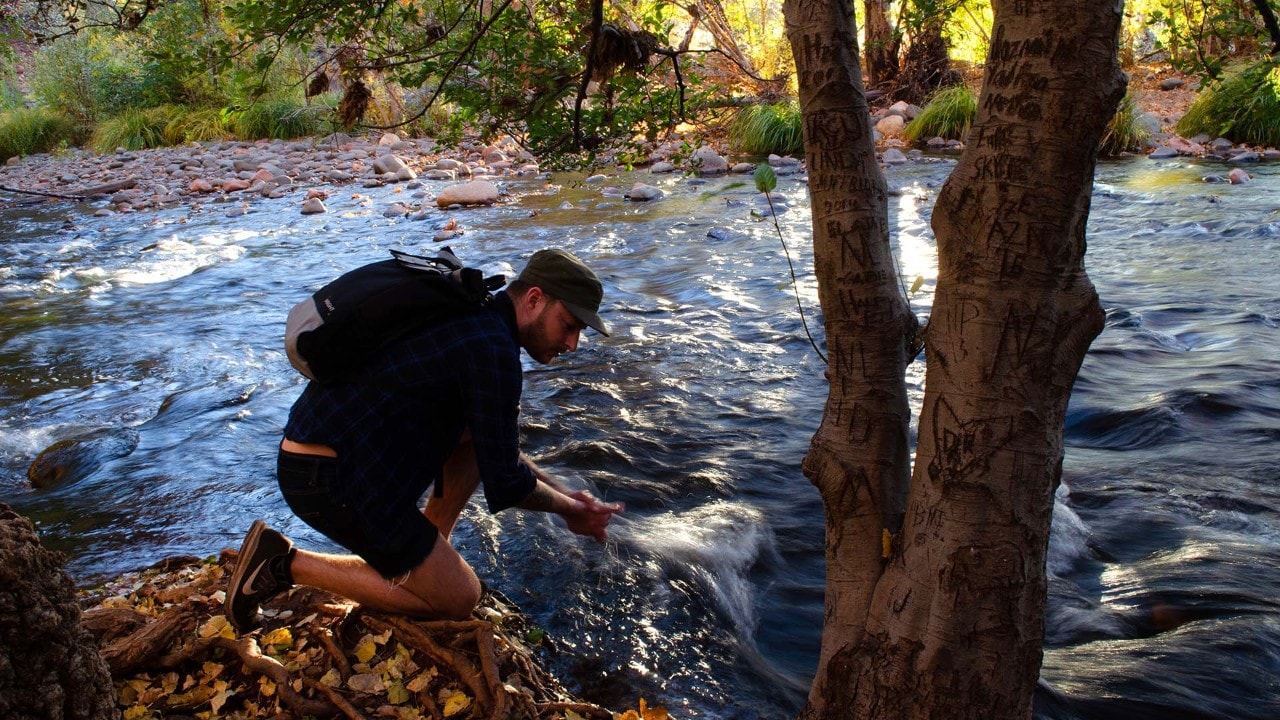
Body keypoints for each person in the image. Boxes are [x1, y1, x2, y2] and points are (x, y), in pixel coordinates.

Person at [225, 248, 623, 630]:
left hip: (318, 452)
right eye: (569, 325)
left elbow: (497, 450)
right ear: (534, 299)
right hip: (329, 479)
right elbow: (507, 483)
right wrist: (571, 509)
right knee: (459, 601)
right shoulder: (492, 349)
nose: (571, 343)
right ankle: (280, 563)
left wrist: (565, 492)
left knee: (473, 436)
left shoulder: (472, 310)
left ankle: (431, 556)